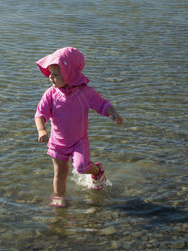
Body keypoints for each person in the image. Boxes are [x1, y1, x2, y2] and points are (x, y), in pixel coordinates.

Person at [34, 47, 123, 207]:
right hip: (57, 142)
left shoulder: (84, 92)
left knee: (82, 167)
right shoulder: (51, 94)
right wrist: (41, 129)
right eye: (49, 74)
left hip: (78, 141)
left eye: (55, 74)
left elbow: (102, 104)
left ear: (69, 74)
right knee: (60, 172)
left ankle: (97, 171)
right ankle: (59, 197)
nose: (50, 78)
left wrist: (112, 113)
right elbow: (40, 114)